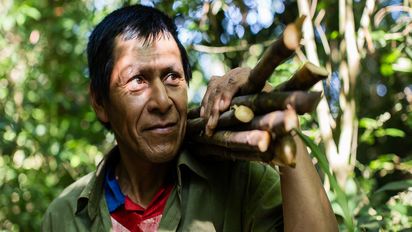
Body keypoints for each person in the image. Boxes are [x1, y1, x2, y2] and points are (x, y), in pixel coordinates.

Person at [42, 4, 338, 232]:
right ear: (99, 102)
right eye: (137, 81)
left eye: (172, 76)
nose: (161, 101)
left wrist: (288, 133)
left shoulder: (240, 178)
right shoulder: (65, 215)